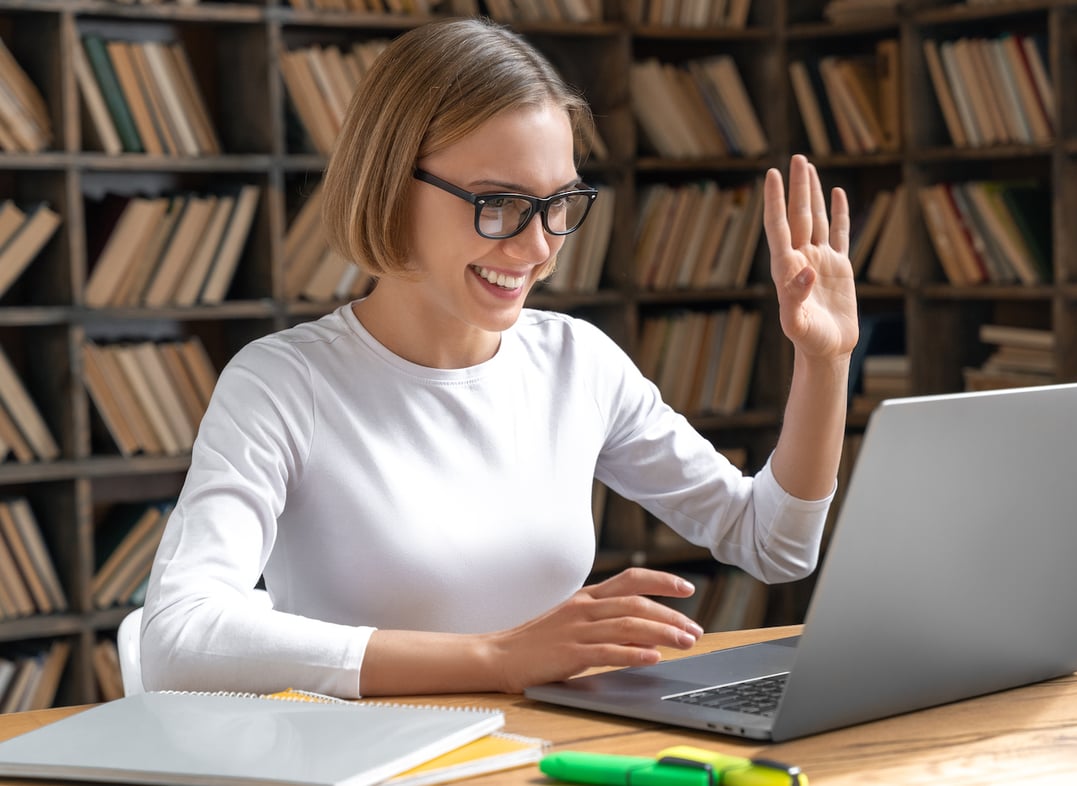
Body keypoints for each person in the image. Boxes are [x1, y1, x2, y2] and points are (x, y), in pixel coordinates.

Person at [140, 17, 858, 699]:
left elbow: (772, 545)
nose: (538, 246)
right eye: (497, 203)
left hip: (546, 754)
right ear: (390, 183)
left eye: (558, 204)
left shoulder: (576, 361)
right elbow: (177, 637)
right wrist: (496, 659)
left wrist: (823, 364)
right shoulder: (283, 384)